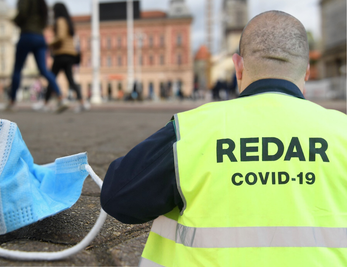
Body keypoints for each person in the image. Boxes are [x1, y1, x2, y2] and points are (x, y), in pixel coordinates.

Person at [100, 11, 347, 266]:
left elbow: (118, 198)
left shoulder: (194, 129)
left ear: (238, 67)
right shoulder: (343, 132)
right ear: (306, 71)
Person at [6, 0, 67, 113]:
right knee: (44, 70)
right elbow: (46, 20)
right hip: (40, 37)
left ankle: (12, 102)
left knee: (17, 69)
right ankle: (60, 97)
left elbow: (22, 13)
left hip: (27, 35)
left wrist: (14, 20)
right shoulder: (42, 3)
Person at [44, 2, 86, 113]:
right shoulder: (68, 22)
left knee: (51, 78)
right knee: (70, 80)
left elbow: (60, 37)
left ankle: (45, 103)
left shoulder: (60, 21)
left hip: (61, 54)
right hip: (70, 54)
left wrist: (49, 43)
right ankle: (82, 102)